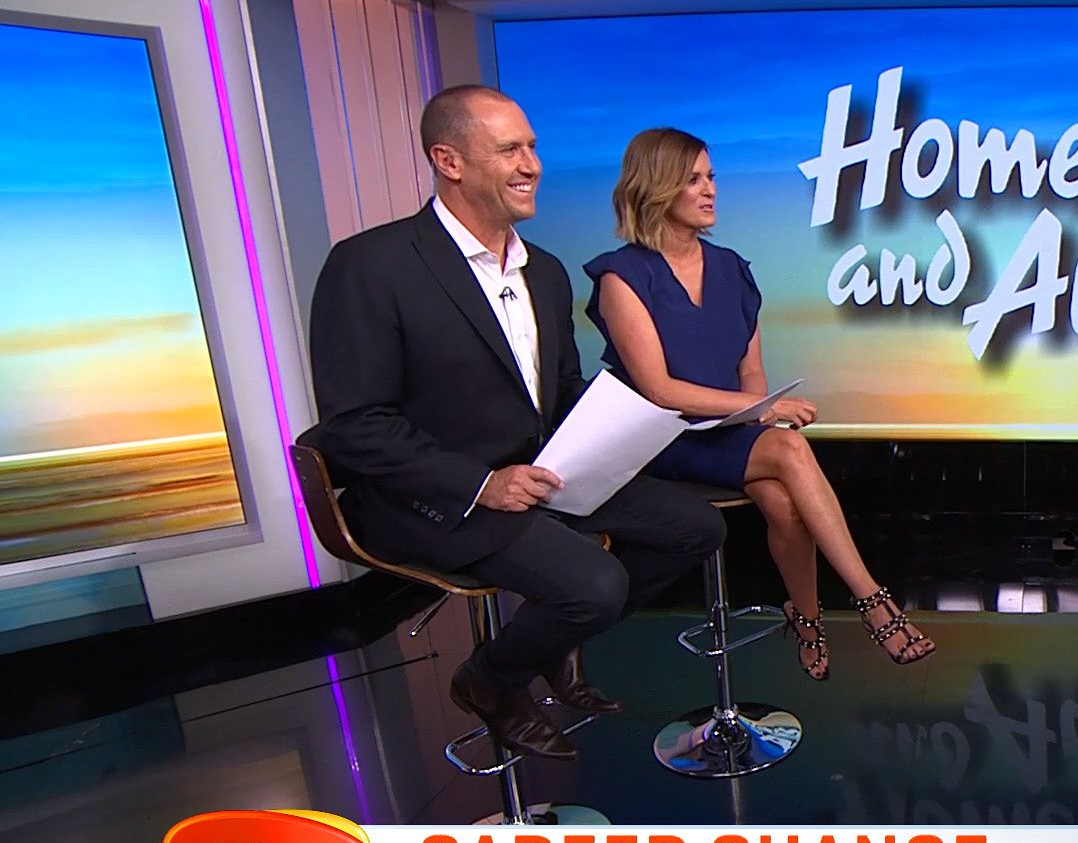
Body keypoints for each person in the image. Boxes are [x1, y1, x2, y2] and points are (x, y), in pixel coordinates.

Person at [307, 87, 725, 761]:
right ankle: (490, 681)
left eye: (532, 147)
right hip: (432, 495)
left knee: (696, 528)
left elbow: (558, 394)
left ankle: (547, 642)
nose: (531, 165)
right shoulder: (371, 265)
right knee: (596, 585)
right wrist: (482, 484)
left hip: (539, 475)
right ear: (449, 161)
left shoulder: (546, 272)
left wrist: (628, 427)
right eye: (509, 150)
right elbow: (354, 425)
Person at [582, 127, 934, 681]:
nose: (710, 190)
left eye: (711, 176)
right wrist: (766, 413)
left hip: (726, 429)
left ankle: (808, 619)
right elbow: (658, 390)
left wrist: (757, 411)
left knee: (785, 503)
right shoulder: (621, 276)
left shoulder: (731, 269)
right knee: (789, 451)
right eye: (692, 179)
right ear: (656, 187)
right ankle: (872, 601)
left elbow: (752, 374)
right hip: (662, 435)